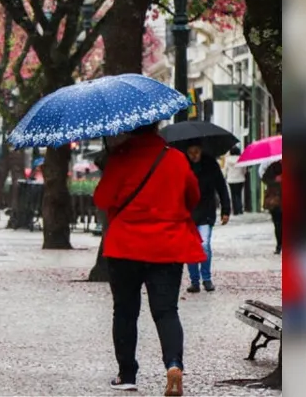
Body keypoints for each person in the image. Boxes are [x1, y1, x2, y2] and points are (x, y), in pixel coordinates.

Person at [93, 122, 204, 396]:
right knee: (166, 311)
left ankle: (127, 374)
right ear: (156, 127)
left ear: (130, 129)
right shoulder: (176, 158)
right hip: (167, 245)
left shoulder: (121, 158)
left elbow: (102, 198)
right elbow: (193, 196)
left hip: (125, 247)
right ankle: (173, 364)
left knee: (125, 311)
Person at [183, 142, 231, 293]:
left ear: (201, 150)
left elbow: (221, 186)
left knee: (204, 245)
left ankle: (206, 278)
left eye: (196, 152)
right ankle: (194, 281)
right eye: (190, 153)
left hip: (206, 211)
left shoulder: (211, 164)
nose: (194, 156)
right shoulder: (182, 164)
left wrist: (226, 210)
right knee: (190, 246)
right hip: (188, 213)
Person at [261, 160, 283, 254]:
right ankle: (279, 245)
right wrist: (275, 179)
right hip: (276, 200)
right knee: (278, 224)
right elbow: (264, 178)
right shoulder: (274, 166)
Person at [223, 146, 246, 215]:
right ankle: (240, 209)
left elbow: (225, 169)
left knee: (233, 195)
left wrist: (225, 176)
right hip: (240, 179)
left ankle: (235, 211)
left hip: (231, 179)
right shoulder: (241, 158)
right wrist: (243, 174)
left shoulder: (227, 159)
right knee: (239, 194)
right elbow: (244, 169)